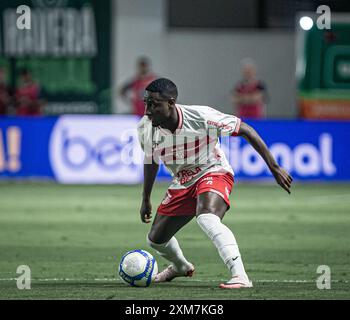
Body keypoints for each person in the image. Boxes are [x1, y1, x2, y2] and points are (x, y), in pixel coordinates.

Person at [137, 78, 292, 289]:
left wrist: (274, 167)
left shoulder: (201, 116)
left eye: (154, 104)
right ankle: (180, 266)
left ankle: (240, 276)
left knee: (207, 218)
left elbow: (245, 129)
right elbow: (151, 159)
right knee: (155, 240)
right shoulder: (146, 127)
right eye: (146, 102)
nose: (147, 110)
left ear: (171, 103)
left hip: (213, 170)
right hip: (182, 181)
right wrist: (145, 198)